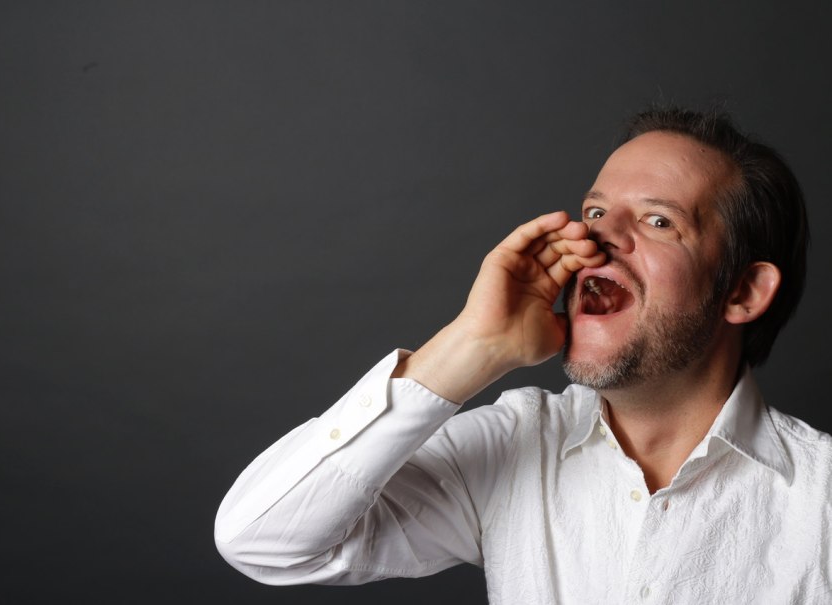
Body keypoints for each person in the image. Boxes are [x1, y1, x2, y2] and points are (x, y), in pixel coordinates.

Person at [214, 108, 831, 603]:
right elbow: (263, 540)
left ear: (743, 293)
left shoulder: (822, 501)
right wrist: (473, 346)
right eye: (595, 211)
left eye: (658, 221)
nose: (598, 237)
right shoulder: (519, 442)